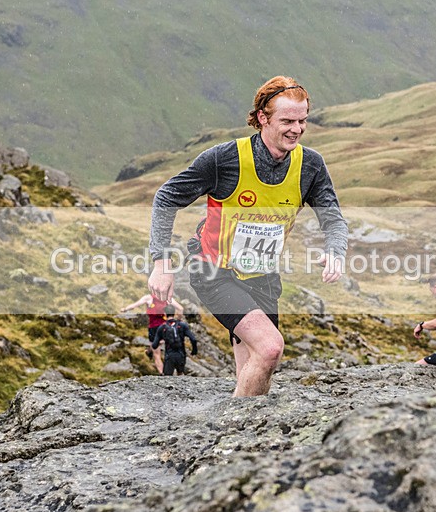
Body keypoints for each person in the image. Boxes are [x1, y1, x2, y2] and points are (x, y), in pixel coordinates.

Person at [147, 76, 348, 396]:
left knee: (256, 368)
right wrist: (161, 262)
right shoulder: (224, 159)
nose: (296, 129)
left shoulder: (310, 165)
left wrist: (335, 249)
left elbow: (333, 218)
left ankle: (241, 437)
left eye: (302, 120)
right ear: (262, 118)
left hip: (263, 277)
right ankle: (230, 430)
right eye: (287, 121)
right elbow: (167, 197)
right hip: (214, 271)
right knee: (270, 349)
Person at [120, 294, 184, 374]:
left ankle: (162, 374)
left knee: (156, 354)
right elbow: (181, 308)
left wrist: (125, 309)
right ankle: (151, 352)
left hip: (154, 329)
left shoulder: (149, 298)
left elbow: (135, 305)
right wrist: (178, 321)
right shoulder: (168, 298)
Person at [151, 305, 198, 376]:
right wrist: (194, 351)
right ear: (174, 312)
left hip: (169, 356)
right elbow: (193, 339)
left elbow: (154, 345)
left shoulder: (162, 327)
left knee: (167, 378)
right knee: (180, 374)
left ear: (165, 313)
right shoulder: (182, 325)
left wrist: (160, 341)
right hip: (181, 355)